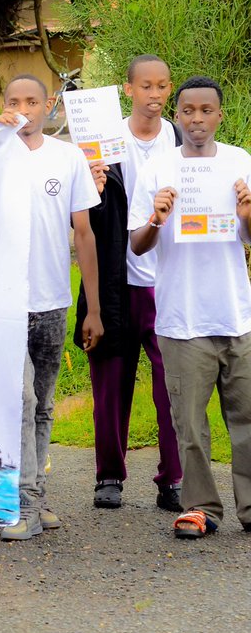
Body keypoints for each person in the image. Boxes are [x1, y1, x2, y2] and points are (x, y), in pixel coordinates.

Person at [128, 75, 251, 539]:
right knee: (191, 427)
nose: (197, 119)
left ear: (220, 115)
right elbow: (138, 247)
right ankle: (201, 508)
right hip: (181, 321)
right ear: (177, 117)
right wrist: (156, 220)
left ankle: (250, 506)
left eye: (206, 111)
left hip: (237, 315)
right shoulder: (160, 168)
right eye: (188, 112)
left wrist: (246, 214)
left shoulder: (240, 162)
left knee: (247, 419)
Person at [0, 74, 103, 541]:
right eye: (14, 101)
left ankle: (38, 495)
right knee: (19, 400)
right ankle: (22, 503)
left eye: (33, 101)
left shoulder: (68, 157)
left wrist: (93, 307)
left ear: (48, 107)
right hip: (4, 304)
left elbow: (83, 233)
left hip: (52, 301)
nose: (24, 108)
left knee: (42, 402)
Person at [78, 55, 182, 511]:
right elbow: (84, 219)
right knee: (110, 384)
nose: (154, 95)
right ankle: (109, 476)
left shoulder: (180, 141)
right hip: (114, 281)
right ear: (128, 89)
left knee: (173, 387)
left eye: (162, 86)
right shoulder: (103, 141)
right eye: (145, 86)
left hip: (169, 284)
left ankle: (172, 479)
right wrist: (93, 186)